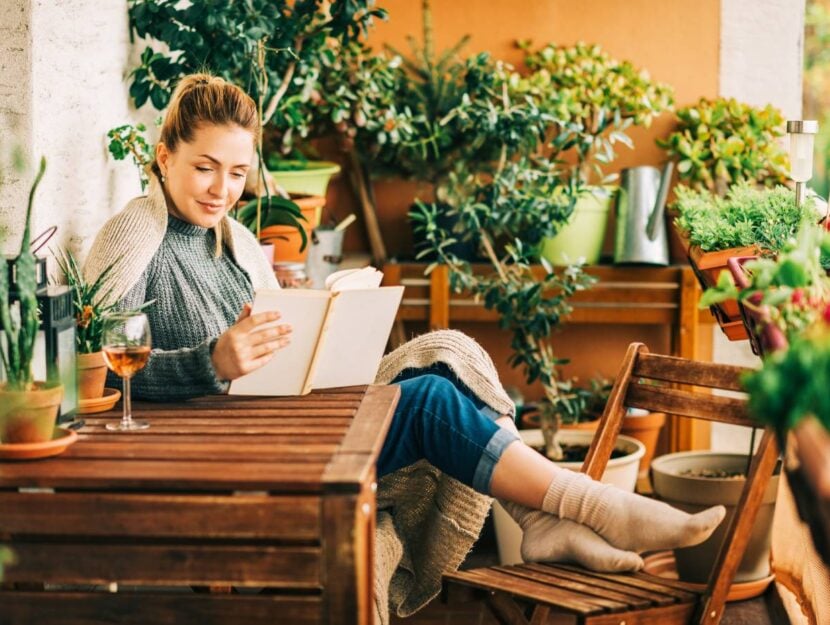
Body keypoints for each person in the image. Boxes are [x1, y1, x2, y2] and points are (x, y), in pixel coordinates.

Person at [84, 73, 725, 608]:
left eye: (236, 174)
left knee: (446, 363)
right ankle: (590, 504)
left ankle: (540, 520)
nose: (222, 190)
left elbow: (273, 349)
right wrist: (210, 362)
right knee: (424, 403)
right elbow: (96, 373)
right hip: (236, 450)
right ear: (163, 155)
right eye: (204, 168)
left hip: (282, 421)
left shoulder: (239, 244)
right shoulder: (135, 232)